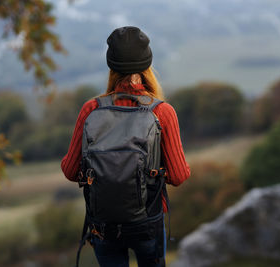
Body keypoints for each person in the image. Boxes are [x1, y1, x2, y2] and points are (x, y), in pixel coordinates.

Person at [61, 26, 190, 267]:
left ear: (111, 66)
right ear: (148, 65)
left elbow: (70, 171)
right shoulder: (162, 111)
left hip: (103, 225)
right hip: (148, 221)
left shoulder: (91, 109)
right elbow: (179, 175)